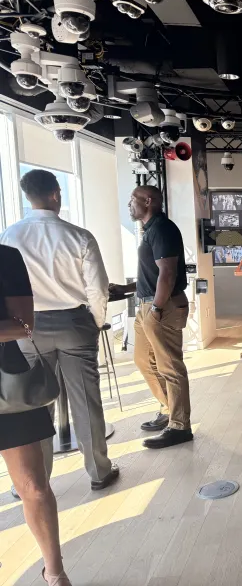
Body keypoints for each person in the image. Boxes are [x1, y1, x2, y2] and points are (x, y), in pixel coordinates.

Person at [0, 169, 118, 491]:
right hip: (74, 324)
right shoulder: (79, 236)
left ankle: (33, 478)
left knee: (34, 403)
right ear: (55, 194)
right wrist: (93, 322)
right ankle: (99, 471)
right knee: (86, 400)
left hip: (26, 329)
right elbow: (98, 289)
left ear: (27, 196)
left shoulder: (10, 236)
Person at [0, 244, 73, 586]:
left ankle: (55, 573)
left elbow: (23, 325)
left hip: (7, 383)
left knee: (34, 486)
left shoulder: (5, 257)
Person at [110, 186, 193, 450]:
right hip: (149, 304)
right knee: (143, 360)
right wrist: (126, 290)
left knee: (170, 366)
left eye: (132, 200)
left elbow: (167, 274)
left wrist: (156, 308)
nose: (129, 205)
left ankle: (180, 427)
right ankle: (169, 408)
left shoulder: (162, 229)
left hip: (161, 307)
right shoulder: (151, 229)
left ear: (148, 200)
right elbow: (153, 276)